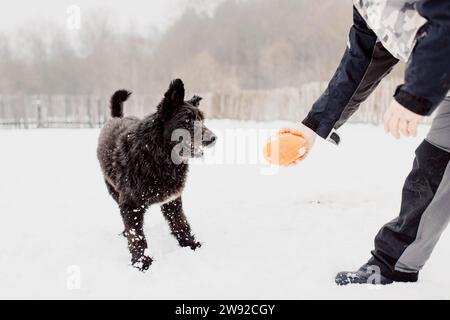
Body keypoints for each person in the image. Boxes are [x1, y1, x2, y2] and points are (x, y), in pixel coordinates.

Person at [297, 0, 450, 285]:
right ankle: (394, 263)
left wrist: (415, 96)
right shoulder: (368, 7)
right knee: (435, 164)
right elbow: (361, 62)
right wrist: (314, 125)